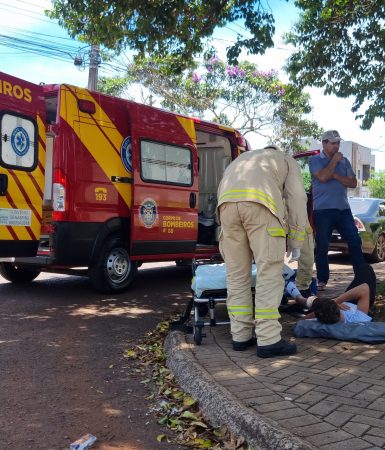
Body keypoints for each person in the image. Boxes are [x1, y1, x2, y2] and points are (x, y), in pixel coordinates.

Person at [217, 144, 308, 358]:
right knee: (269, 273)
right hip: (262, 207)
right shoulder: (286, 160)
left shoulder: (243, 159)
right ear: (277, 150)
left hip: (227, 209)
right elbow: (297, 198)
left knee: (237, 275)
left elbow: (221, 188)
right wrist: (296, 240)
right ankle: (268, 339)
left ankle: (240, 335)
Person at [309, 130, 365, 291]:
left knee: (354, 241)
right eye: (333, 143)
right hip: (323, 210)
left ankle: (361, 276)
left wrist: (336, 176)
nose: (336, 146)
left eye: (338, 143)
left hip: (343, 210)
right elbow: (323, 177)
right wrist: (334, 161)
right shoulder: (315, 160)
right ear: (324, 143)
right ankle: (322, 280)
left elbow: (353, 183)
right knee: (322, 246)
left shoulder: (345, 161)